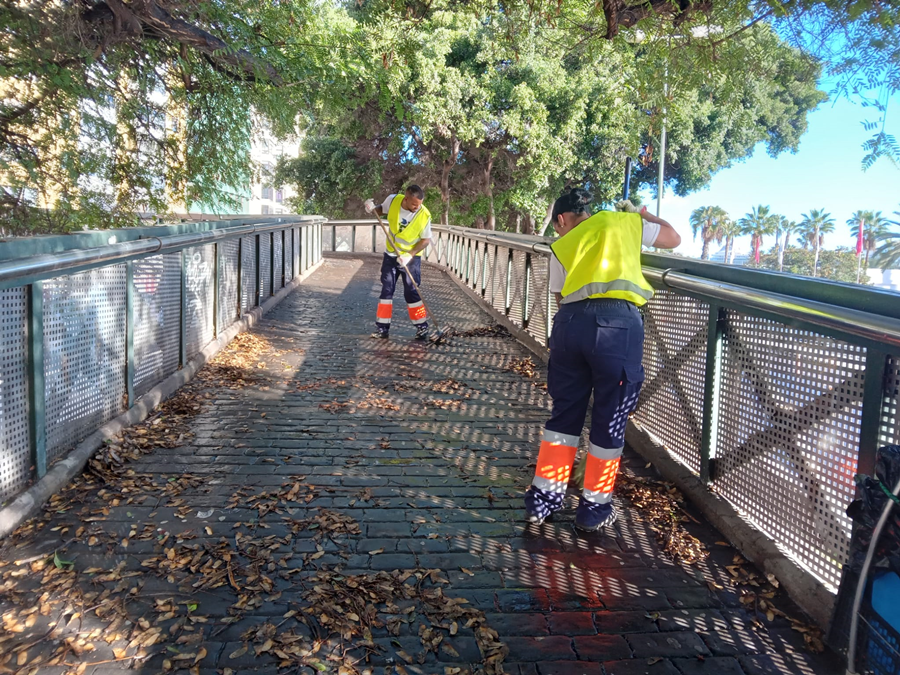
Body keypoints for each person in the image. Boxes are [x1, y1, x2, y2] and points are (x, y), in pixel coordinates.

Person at [525, 188, 681, 532]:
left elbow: (560, 296)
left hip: (569, 325)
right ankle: (593, 509)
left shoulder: (561, 246)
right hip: (618, 327)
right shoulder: (624, 223)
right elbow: (673, 238)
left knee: (564, 416)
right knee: (610, 419)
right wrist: (645, 216)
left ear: (561, 219)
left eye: (558, 226)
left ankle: (543, 501)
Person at [364, 185, 433, 340]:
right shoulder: (393, 200)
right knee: (387, 289)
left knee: (412, 291)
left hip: (411, 258)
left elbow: (425, 240)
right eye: (415, 204)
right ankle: (382, 329)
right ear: (406, 198)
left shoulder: (424, 215)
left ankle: (422, 327)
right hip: (391, 254)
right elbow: (381, 210)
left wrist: (409, 255)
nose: (417, 207)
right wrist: (372, 208)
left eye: (420, 204)